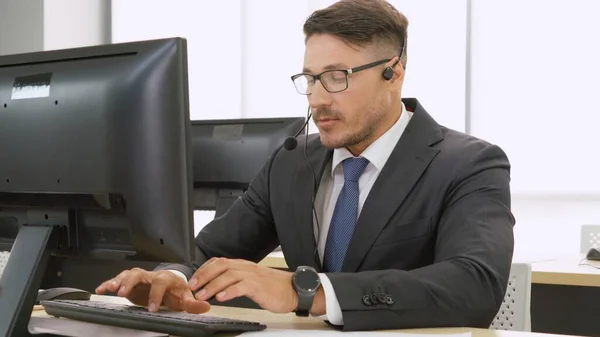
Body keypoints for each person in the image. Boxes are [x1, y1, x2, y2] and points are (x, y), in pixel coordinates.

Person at [96, 0, 515, 331]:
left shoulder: (469, 163)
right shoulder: (292, 162)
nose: (316, 99)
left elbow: (474, 286)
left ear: (394, 73)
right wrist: (174, 277)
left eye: (337, 77)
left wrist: (307, 291)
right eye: (310, 78)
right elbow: (208, 251)